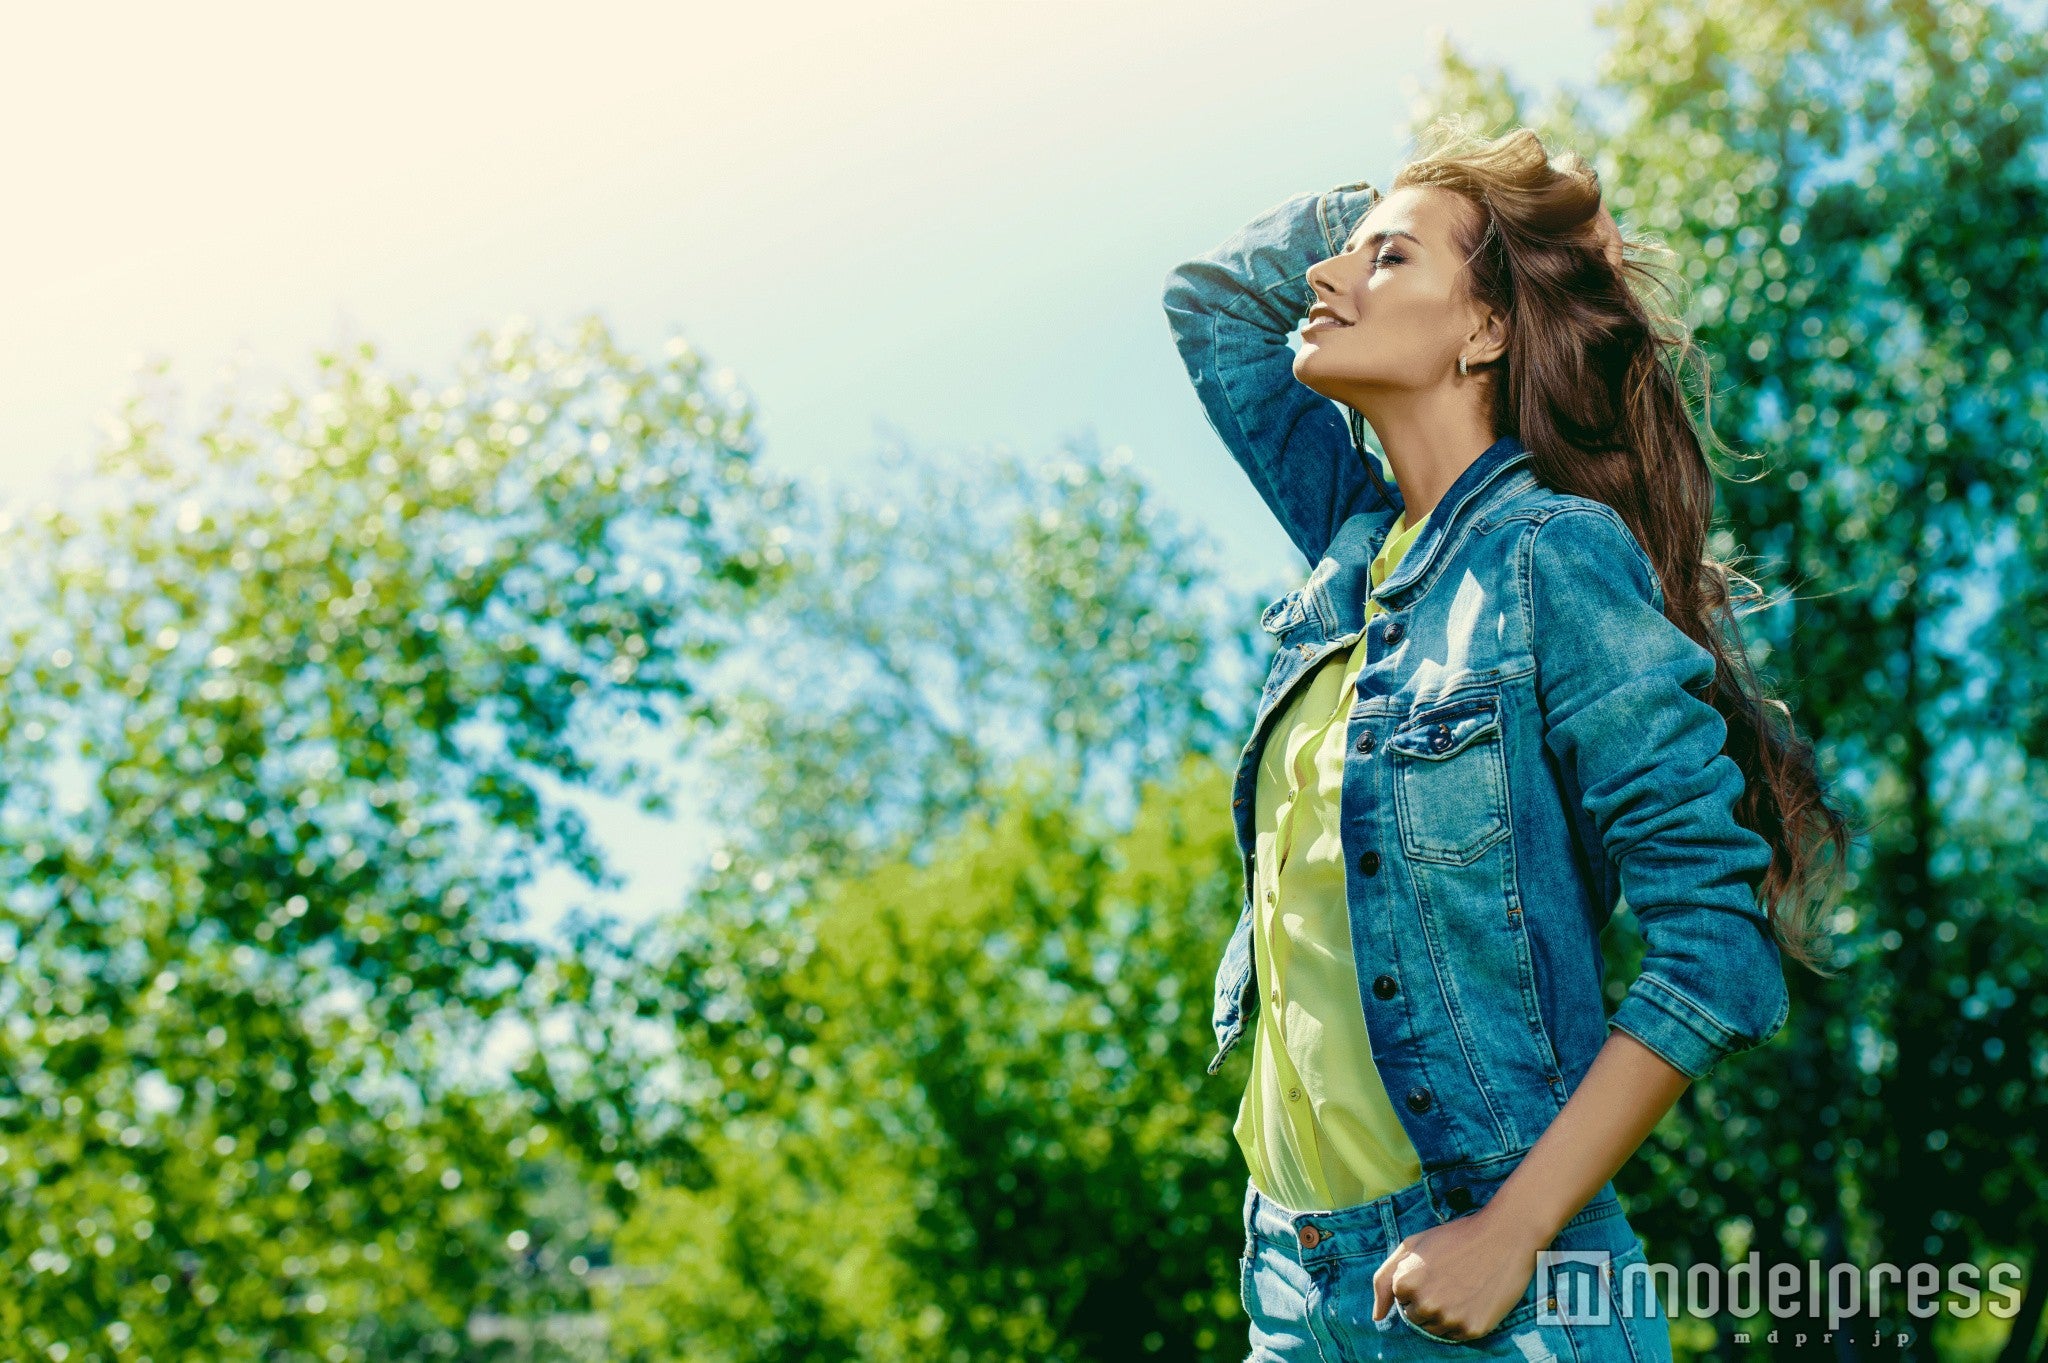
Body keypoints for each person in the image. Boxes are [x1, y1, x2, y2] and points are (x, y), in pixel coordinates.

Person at [1159, 119, 1850, 1362]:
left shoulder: (1550, 558)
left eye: (1386, 260)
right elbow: (1210, 300)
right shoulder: (1349, 551)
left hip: (1496, 1283)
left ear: (1482, 330)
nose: (1323, 277)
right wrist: (1430, 205)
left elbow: (1717, 940)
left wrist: (1513, 1231)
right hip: (1290, 1281)